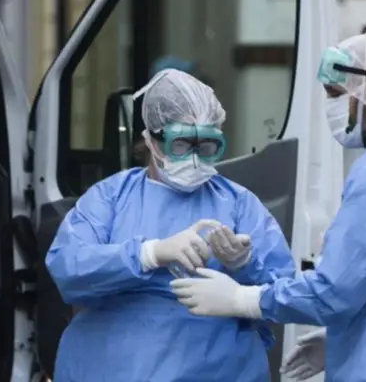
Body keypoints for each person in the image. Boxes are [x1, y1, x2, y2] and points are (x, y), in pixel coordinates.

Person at [170, 26, 366, 381]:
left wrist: (244, 299)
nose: (332, 109)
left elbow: (336, 289)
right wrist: (347, 334)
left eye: (336, 95)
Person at [45, 69, 295, 382]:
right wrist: (148, 254)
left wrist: (244, 265)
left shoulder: (238, 204)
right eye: (180, 145)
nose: (194, 158)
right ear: (151, 139)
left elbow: (283, 293)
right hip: (112, 367)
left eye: (207, 146)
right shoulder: (110, 198)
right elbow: (68, 267)